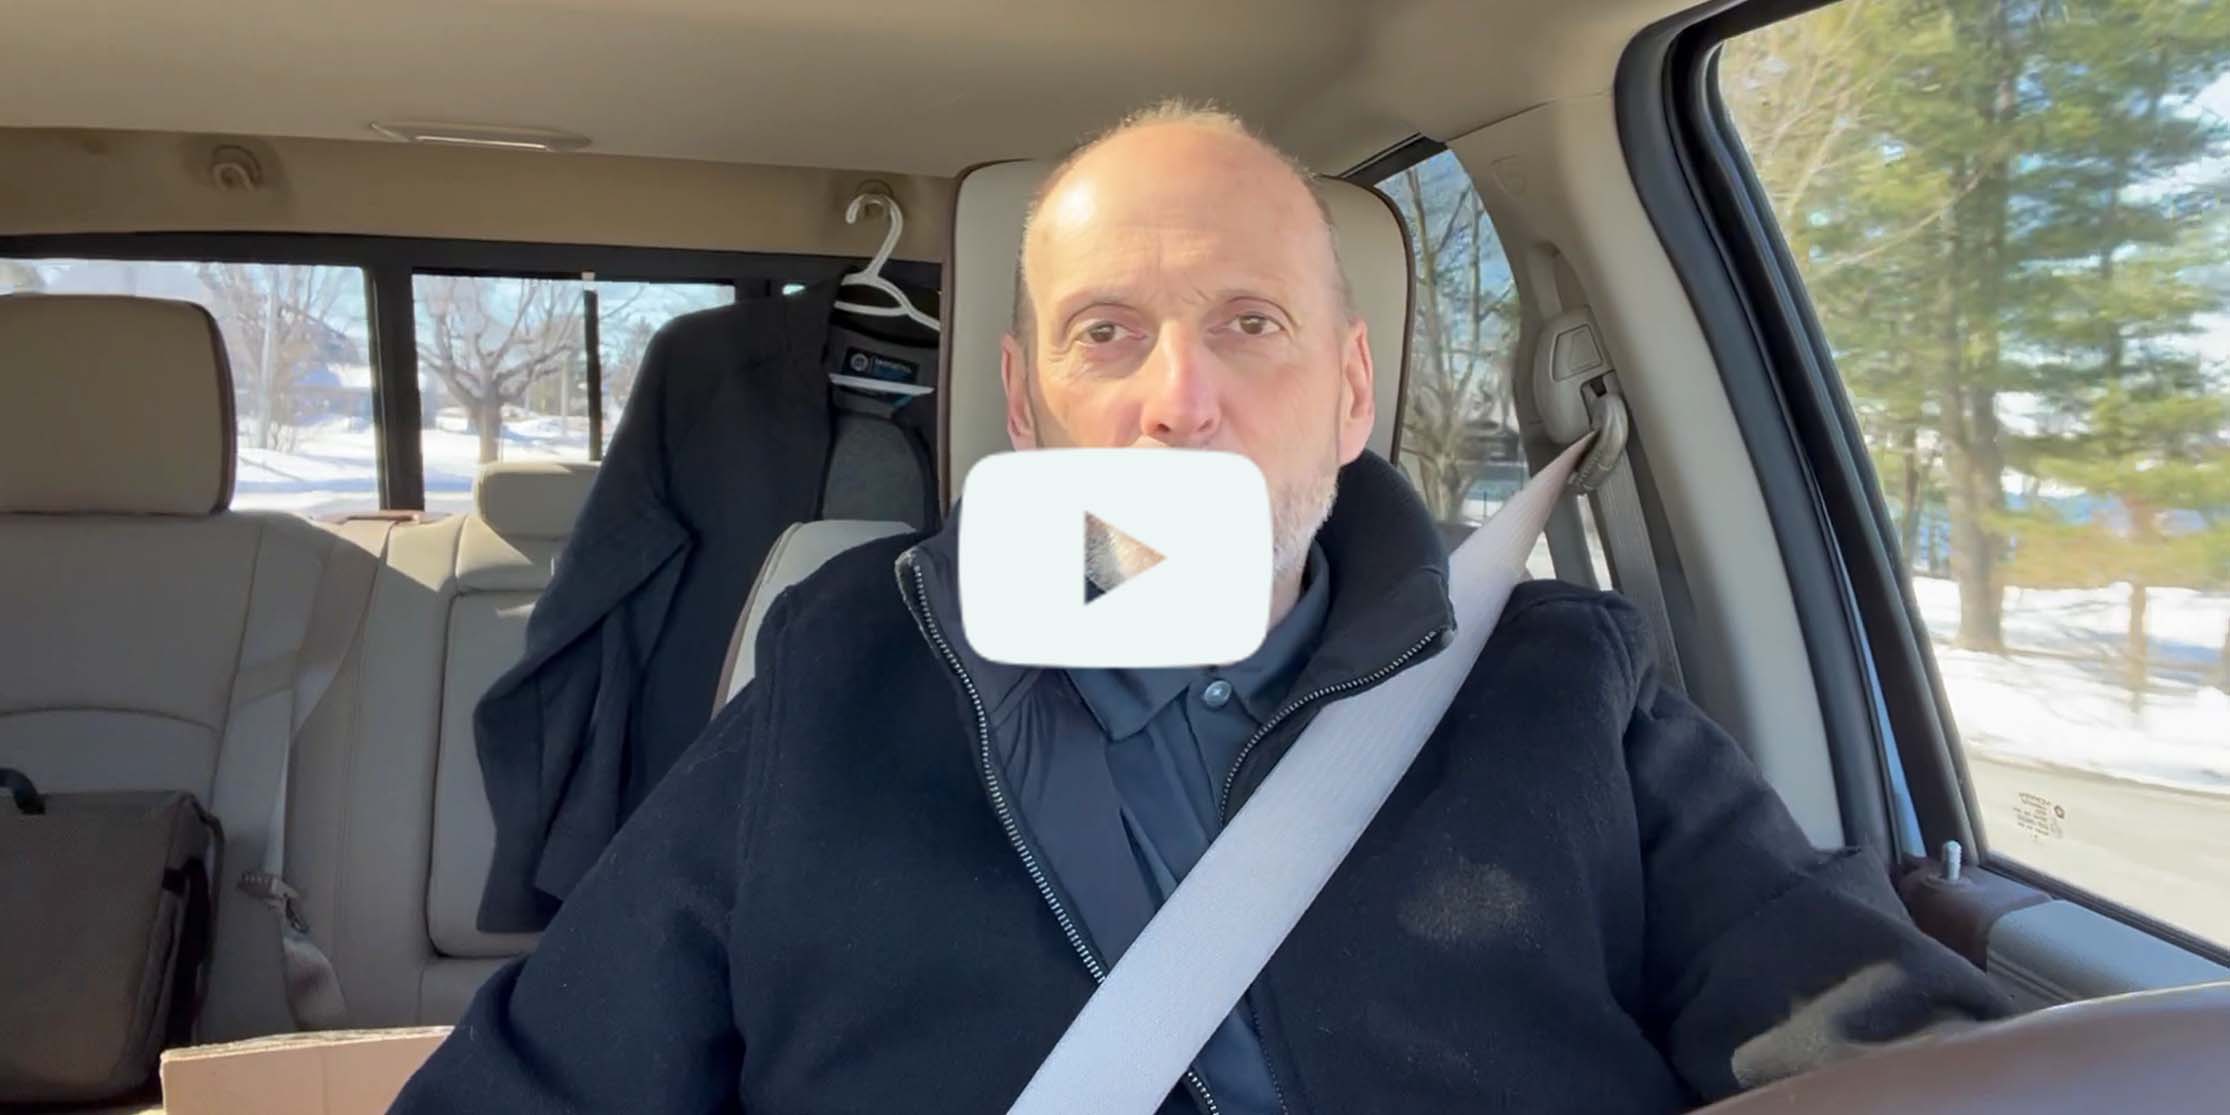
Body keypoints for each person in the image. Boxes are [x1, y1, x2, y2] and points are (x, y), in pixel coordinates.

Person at [391, 101, 2007, 1115]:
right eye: (1107, 333)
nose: (1180, 399)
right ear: (1025, 402)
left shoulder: (1560, 682)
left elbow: (1872, 1035)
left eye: (1249, 323)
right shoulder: (838, 681)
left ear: (1352, 390)